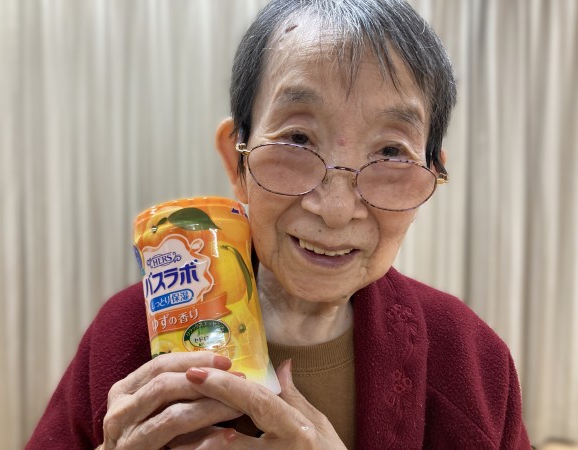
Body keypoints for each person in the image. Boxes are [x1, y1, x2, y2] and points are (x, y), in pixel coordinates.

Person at [27, 0, 532, 448]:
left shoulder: (471, 359)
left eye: (390, 152)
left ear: (429, 176)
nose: (336, 209)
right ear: (237, 162)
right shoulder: (124, 335)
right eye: (297, 140)